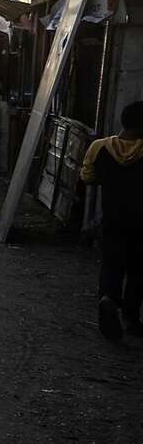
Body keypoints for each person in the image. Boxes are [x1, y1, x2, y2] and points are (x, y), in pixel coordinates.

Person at [82, 101, 143, 339]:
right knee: (138, 270)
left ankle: (109, 298)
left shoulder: (99, 147)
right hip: (141, 222)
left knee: (111, 263)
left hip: (112, 217)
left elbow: (87, 177)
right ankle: (131, 317)